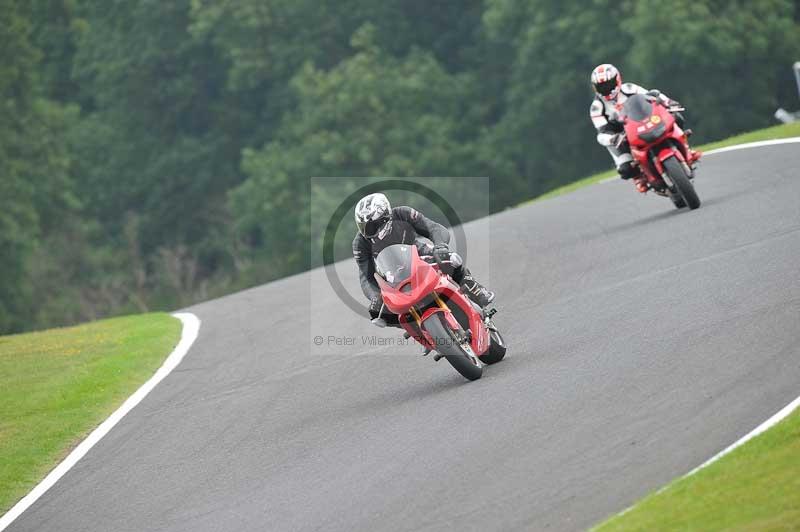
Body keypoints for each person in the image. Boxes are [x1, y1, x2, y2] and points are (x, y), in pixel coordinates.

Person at [352, 193, 495, 321]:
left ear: (385, 216)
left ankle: (475, 288)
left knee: (450, 259)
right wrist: (375, 296)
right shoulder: (360, 243)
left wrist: (440, 247)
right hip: (392, 276)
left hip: (420, 254)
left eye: (372, 226)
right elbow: (366, 277)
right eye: (363, 227)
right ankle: (421, 331)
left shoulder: (404, 214)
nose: (367, 232)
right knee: (381, 313)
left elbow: (434, 228)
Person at [589, 63, 698, 193]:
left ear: (617, 80)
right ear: (595, 88)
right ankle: (639, 178)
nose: (606, 89)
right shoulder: (596, 107)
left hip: (645, 120)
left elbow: (652, 96)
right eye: (601, 86)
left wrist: (668, 102)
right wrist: (612, 138)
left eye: (608, 84)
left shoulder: (629, 88)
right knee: (626, 169)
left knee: (677, 116)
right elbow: (601, 133)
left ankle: (686, 146)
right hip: (623, 136)